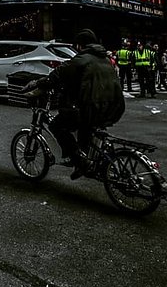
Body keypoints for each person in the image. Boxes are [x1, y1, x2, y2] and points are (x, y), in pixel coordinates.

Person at [26, 30, 125, 179]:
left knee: (57, 125)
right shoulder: (105, 59)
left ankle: (80, 160)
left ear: (80, 45)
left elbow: (59, 74)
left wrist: (37, 83)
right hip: (114, 107)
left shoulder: (82, 59)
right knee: (85, 128)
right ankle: (85, 161)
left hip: (93, 108)